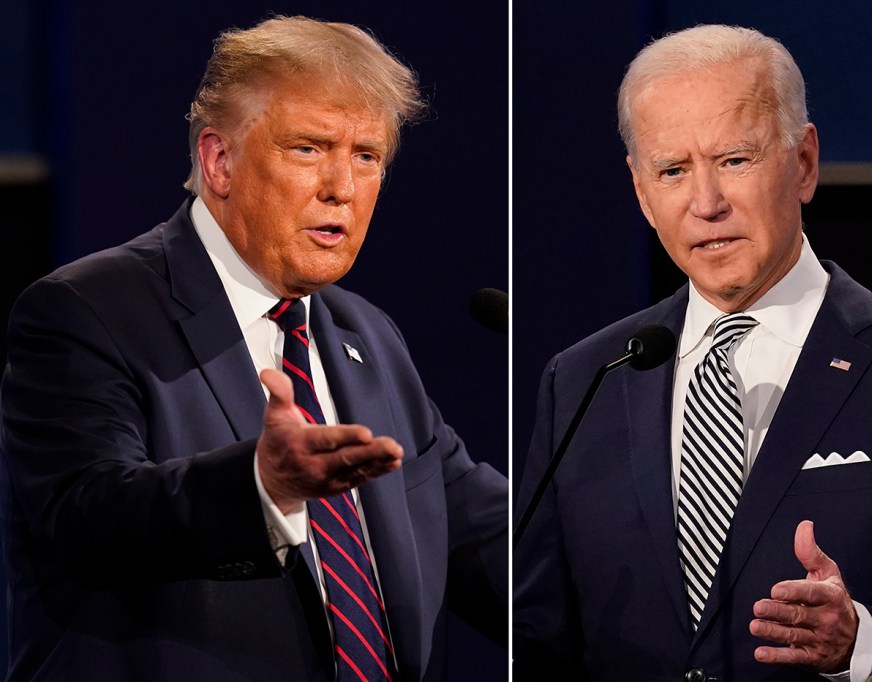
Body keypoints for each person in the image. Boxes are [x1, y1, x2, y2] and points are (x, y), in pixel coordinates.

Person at [0, 15, 507, 682]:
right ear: (219, 160)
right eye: (308, 148)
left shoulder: (367, 337)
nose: (343, 188)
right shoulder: (89, 310)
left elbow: (488, 542)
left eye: (367, 156)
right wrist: (261, 487)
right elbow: (88, 517)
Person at [513, 23, 872, 681]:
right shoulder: (585, 378)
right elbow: (538, 639)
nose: (707, 203)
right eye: (673, 170)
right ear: (642, 192)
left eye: (735, 160)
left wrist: (861, 646)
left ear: (804, 162)